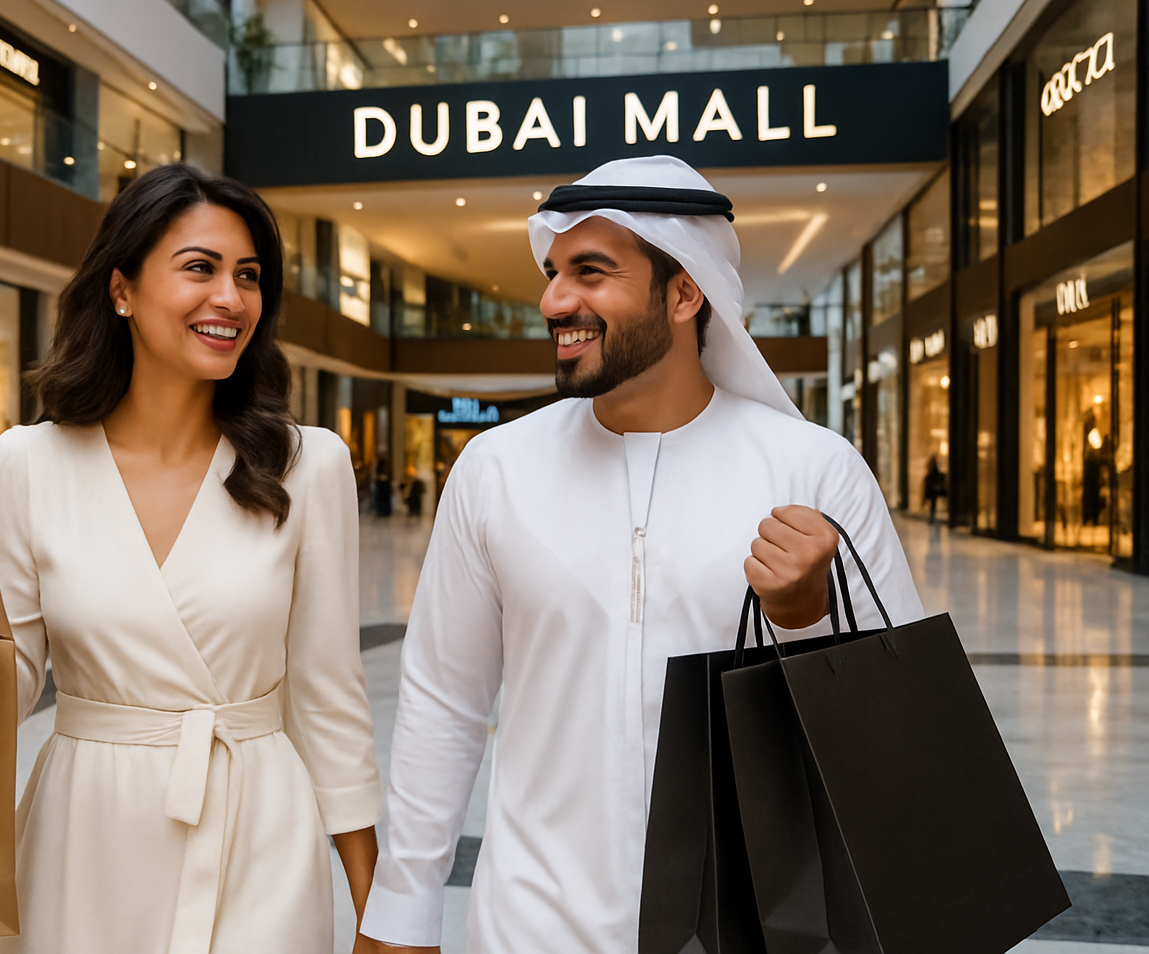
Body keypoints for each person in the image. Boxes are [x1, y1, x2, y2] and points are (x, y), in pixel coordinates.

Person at [355, 156, 924, 954]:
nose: (555, 301)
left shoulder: (813, 471)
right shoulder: (495, 470)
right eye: (554, 274)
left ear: (685, 293)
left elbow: (892, 737)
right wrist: (402, 912)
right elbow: (444, 701)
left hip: (743, 932)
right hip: (528, 930)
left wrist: (806, 620)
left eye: (590, 273)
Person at [0, 164, 381, 954]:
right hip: (84, 845)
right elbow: (3, 702)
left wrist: (379, 915)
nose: (230, 298)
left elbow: (329, 697)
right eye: (200, 268)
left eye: (248, 276)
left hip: (259, 833)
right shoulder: (30, 461)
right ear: (122, 290)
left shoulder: (309, 465)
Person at [923, 455, 947, 525]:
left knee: (933, 504)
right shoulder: (932, 472)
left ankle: (932, 517)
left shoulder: (933, 472)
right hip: (932, 490)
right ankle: (932, 517)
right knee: (932, 504)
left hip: (933, 490)